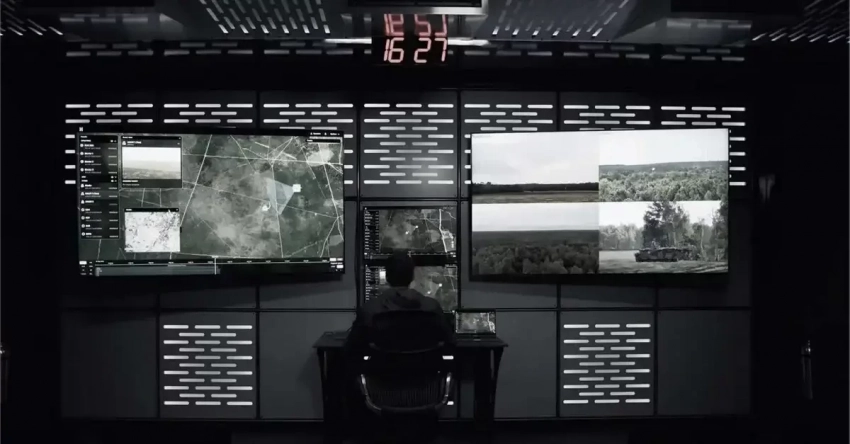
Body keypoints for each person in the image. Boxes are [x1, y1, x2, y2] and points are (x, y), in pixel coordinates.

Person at [345, 251, 454, 354]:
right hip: (424, 367)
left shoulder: (370, 309)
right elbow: (451, 342)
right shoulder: (432, 307)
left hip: (383, 367)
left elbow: (351, 346)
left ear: (387, 277)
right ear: (412, 277)